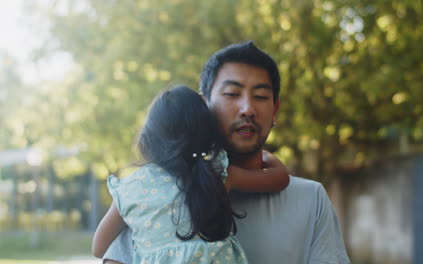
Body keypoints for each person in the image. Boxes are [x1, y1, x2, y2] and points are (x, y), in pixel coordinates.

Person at [102, 41, 350, 263]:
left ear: (275, 111)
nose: (248, 109)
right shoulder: (153, 197)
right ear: (203, 106)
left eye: (261, 96)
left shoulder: (311, 199)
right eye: (232, 94)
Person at [92, 85, 290, 264]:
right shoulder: (218, 173)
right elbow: (280, 178)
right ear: (208, 132)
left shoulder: (132, 187)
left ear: (149, 137)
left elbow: (98, 247)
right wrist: (265, 155)